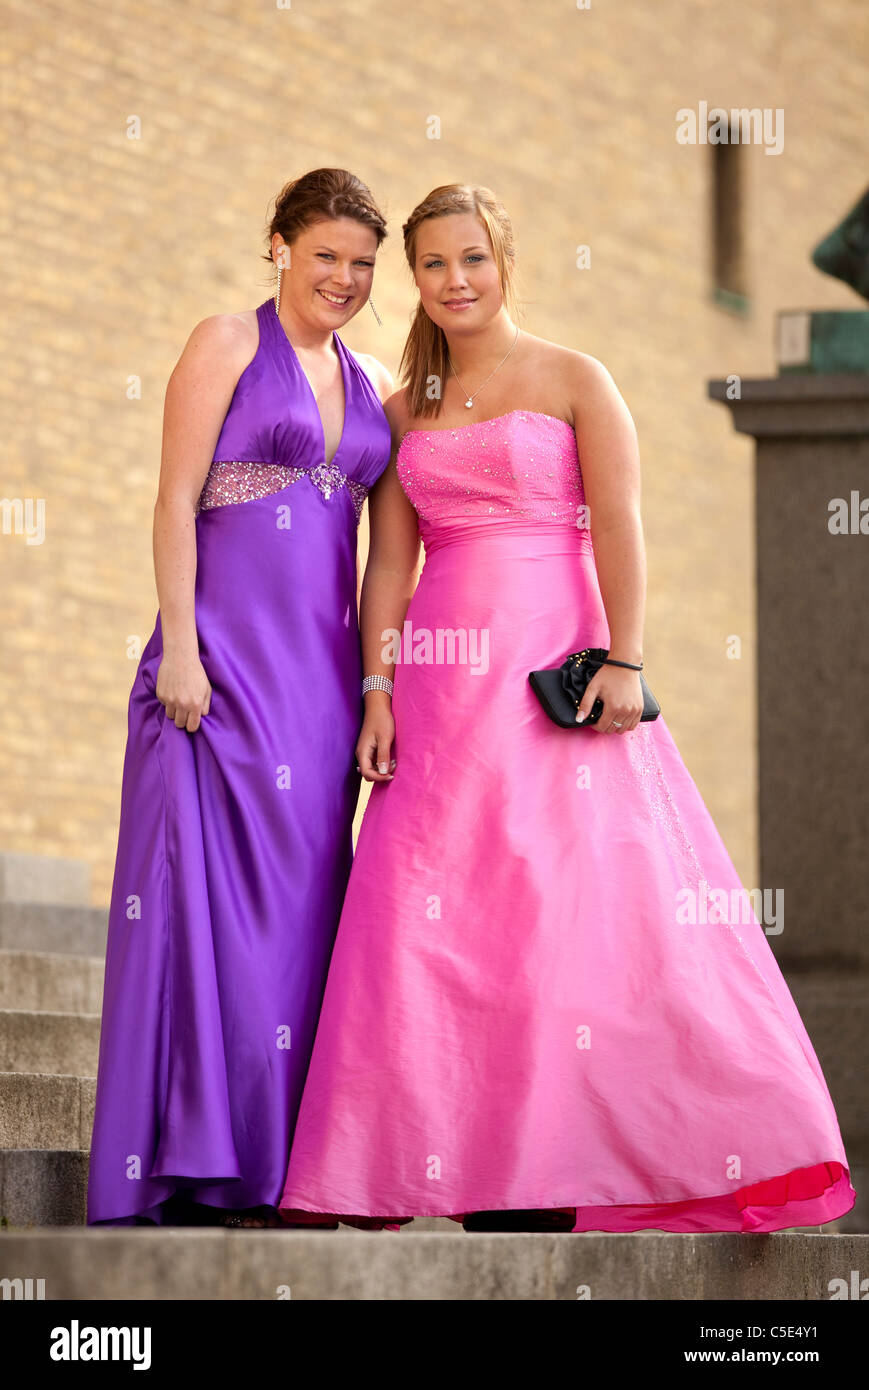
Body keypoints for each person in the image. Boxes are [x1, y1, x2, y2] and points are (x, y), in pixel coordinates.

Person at [278, 183, 855, 1234]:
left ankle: (542, 1169)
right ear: (416, 279)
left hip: (555, 675)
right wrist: (376, 688)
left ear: (504, 260)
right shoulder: (405, 406)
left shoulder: (575, 377)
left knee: (553, 912)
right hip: (440, 688)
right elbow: (388, 566)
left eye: (472, 260)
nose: (455, 281)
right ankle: (404, 1161)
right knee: (419, 908)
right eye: (434, 266)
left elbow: (621, 528)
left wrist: (624, 665)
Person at [87, 168, 393, 1227]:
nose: (344, 279)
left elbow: (377, 557)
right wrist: (179, 644)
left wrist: (374, 689)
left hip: (318, 685)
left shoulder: (374, 378)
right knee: (204, 910)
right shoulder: (225, 341)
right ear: (277, 245)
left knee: (303, 916)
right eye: (326, 256)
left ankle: (282, 1168)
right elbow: (173, 500)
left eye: (362, 263)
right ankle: (197, 1161)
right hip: (212, 672)